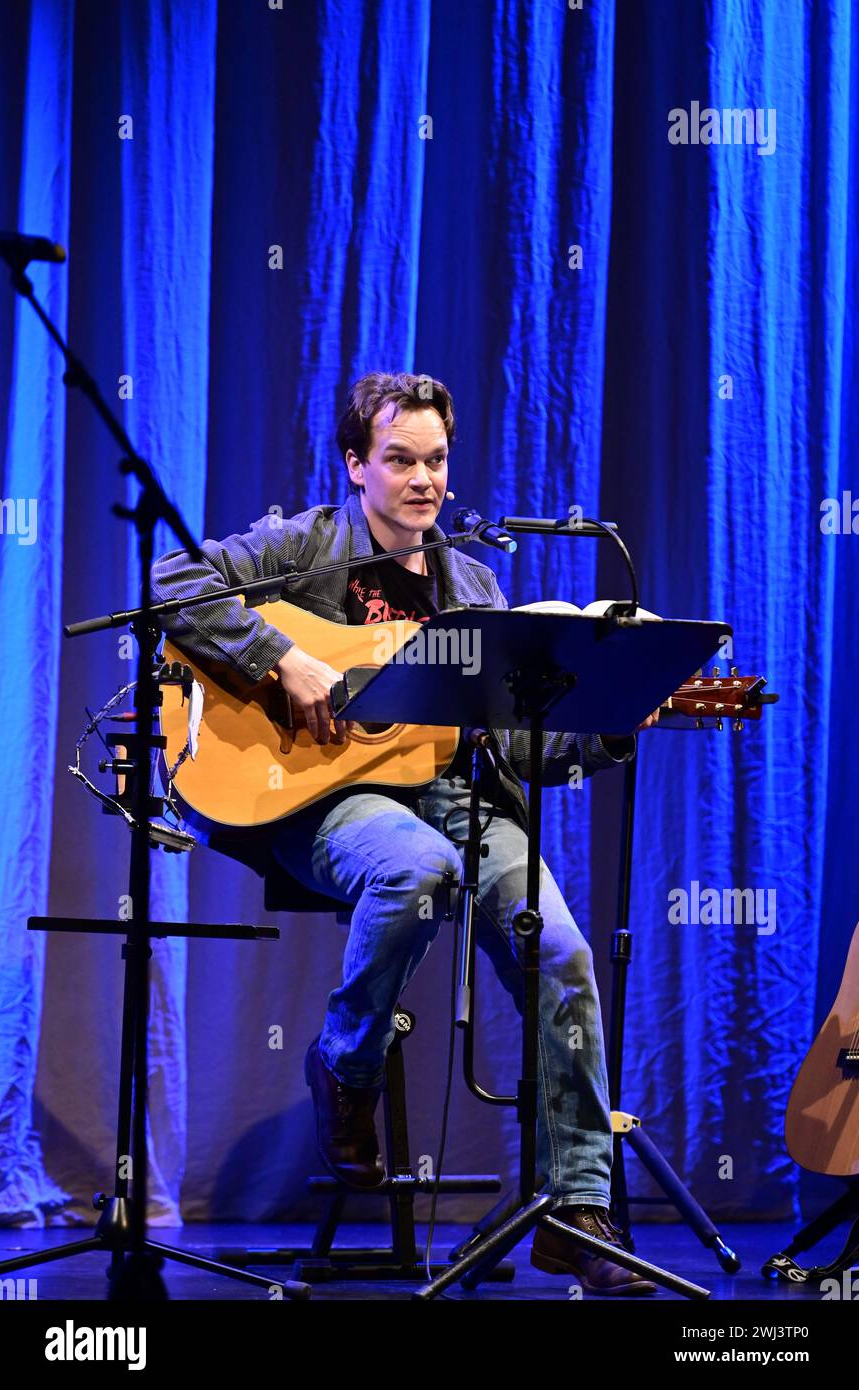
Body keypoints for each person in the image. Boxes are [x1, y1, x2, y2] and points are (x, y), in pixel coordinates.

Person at [150, 371, 660, 1294]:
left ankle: (578, 1210)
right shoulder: (304, 546)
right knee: (418, 870)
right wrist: (283, 656)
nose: (423, 479)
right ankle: (345, 1067)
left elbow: (523, 748)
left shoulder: (474, 585)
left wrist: (611, 722)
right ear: (357, 464)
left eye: (436, 460)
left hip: (463, 799)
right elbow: (171, 575)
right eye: (400, 459)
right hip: (325, 800)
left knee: (565, 955)